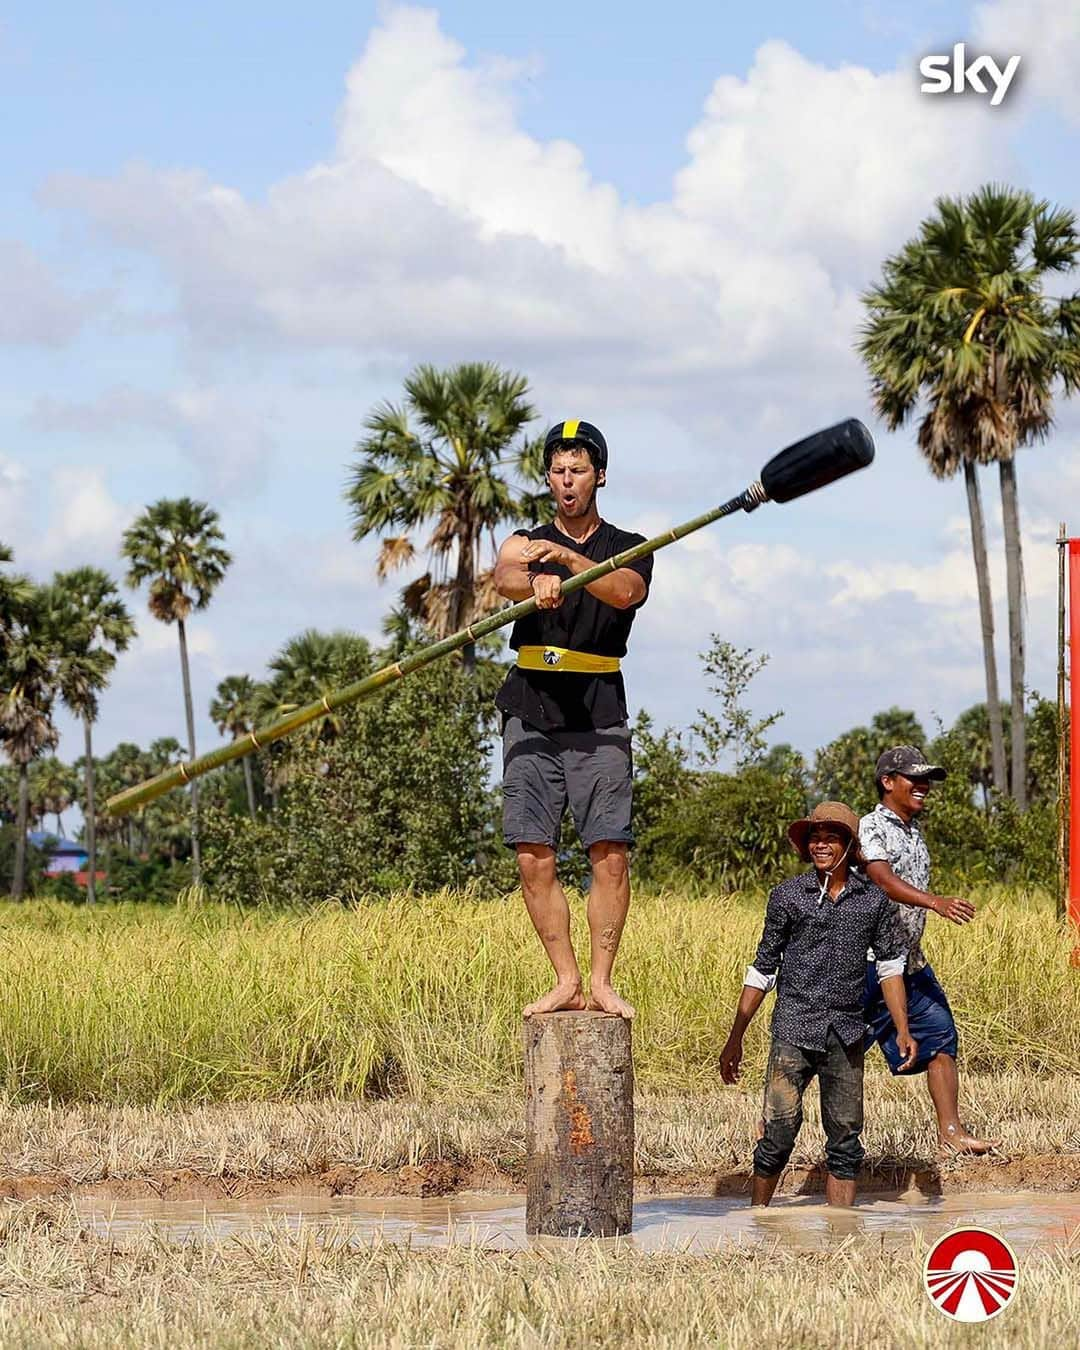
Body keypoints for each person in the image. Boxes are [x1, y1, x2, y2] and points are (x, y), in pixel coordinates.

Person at [493, 419, 651, 1019]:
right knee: (533, 851)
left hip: (598, 708)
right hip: (530, 707)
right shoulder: (525, 540)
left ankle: (603, 980)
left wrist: (566, 558)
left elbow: (625, 591)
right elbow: (504, 573)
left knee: (608, 848)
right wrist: (534, 578)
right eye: (558, 470)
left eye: (578, 470)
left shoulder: (628, 544)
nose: (567, 480)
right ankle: (564, 978)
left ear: (599, 477)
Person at [720, 802, 916, 1207]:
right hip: (793, 1027)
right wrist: (735, 1038)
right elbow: (763, 968)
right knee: (778, 1131)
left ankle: (840, 1234)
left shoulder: (872, 901)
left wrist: (902, 1029)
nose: (820, 845)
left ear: (848, 846)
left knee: (845, 1138)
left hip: (846, 1032)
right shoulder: (788, 896)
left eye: (830, 837)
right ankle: (759, 1218)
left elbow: (890, 967)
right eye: (815, 837)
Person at [860, 745, 999, 1155]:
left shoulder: (914, 831)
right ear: (888, 782)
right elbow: (882, 879)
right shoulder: (872, 827)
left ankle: (951, 1134)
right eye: (914, 779)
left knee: (941, 1036)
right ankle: (772, 1123)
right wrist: (935, 902)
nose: (923, 787)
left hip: (910, 962)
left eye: (927, 780)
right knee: (831, 1049)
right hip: (868, 963)